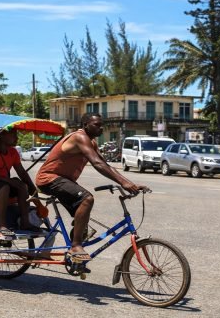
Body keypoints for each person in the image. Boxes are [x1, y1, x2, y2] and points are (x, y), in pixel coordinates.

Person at [36, 112, 148, 261]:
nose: (100, 128)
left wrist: (129, 183)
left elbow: (106, 165)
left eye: (102, 125)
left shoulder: (91, 142)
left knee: (83, 213)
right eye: (97, 125)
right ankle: (75, 246)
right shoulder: (79, 137)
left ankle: (75, 246)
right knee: (87, 199)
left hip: (63, 180)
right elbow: (97, 164)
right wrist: (124, 183)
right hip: (49, 178)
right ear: (85, 125)